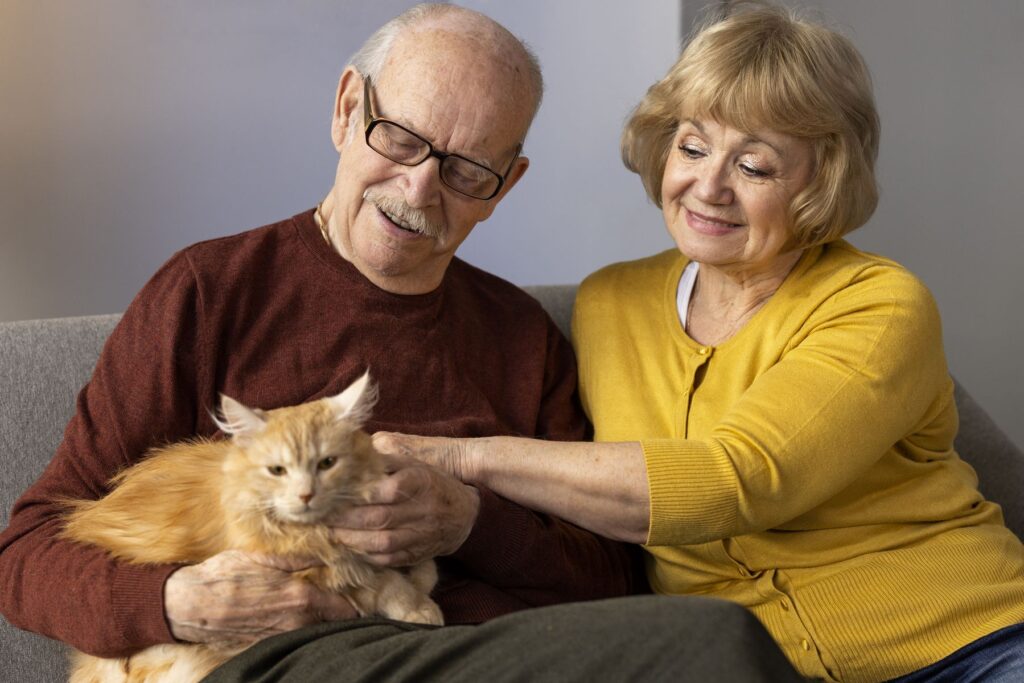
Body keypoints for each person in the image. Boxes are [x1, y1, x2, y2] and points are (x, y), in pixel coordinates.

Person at [0, 4, 683, 680]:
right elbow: (26, 555)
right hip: (284, 651)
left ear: (504, 187)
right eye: (399, 137)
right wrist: (176, 601)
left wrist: (470, 519)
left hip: (491, 648)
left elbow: (608, 578)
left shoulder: (522, 338)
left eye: (467, 169)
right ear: (347, 108)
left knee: (711, 635)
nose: (419, 187)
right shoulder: (208, 293)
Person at [378, 4, 1024, 682]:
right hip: (745, 666)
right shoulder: (607, 304)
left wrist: (457, 458)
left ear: (819, 181)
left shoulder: (879, 303)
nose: (708, 187)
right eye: (692, 147)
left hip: (969, 648)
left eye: (755, 165)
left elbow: (734, 479)